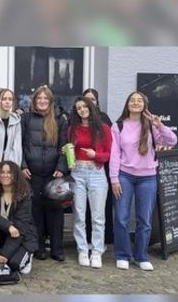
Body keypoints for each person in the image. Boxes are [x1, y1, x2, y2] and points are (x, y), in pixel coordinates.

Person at [110, 91, 177, 271]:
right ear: (127, 104)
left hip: (148, 177)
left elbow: (172, 140)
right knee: (121, 217)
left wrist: (159, 125)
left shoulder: (151, 125)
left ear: (144, 105)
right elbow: (115, 154)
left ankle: (141, 256)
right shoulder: (118, 126)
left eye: (139, 100)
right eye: (132, 100)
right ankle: (122, 254)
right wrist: (114, 178)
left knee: (144, 220)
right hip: (124, 176)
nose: (136, 103)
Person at [21, 85, 68, 261]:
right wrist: (23, 165)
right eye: (39, 98)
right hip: (32, 173)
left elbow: (64, 146)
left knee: (55, 210)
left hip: (53, 173)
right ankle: (38, 248)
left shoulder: (59, 119)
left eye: (45, 98)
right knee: (36, 210)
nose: (42, 101)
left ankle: (57, 249)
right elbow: (20, 144)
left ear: (50, 101)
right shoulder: (26, 118)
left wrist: (61, 168)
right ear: (34, 101)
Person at [67, 96, 112, 269]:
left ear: (91, 107)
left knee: (98, 217)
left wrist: (96, 155)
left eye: (84, 106)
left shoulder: (103, 128)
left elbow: (110, 154)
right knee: (79, 215)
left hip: (96, 172)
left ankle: (97, 251)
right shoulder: (72, 129)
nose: (82, 110)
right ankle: (82, 250)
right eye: (78, 108)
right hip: (77, 172)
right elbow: (69, 149)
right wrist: (69, 158)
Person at [0, 161, 37, 274]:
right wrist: (8, 226)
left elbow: (20, 229)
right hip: (5, 233)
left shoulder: (24, 196)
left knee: (14, 264)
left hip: (23, 236)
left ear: (15, 175)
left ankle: (27, 255)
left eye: (9, 172)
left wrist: (5, 255)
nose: (5, 175)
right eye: (2, 172)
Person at [82, 88, 114, 246]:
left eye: (92, 99)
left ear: (97, 102)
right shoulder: (78, 121)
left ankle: (104, 240)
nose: (90, 102)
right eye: (86, 99)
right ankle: (87, 239)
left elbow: (111, 147)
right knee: (85, 207)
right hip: (82, 169)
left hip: (102, 168)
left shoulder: (104, 119)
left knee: (101, 207)